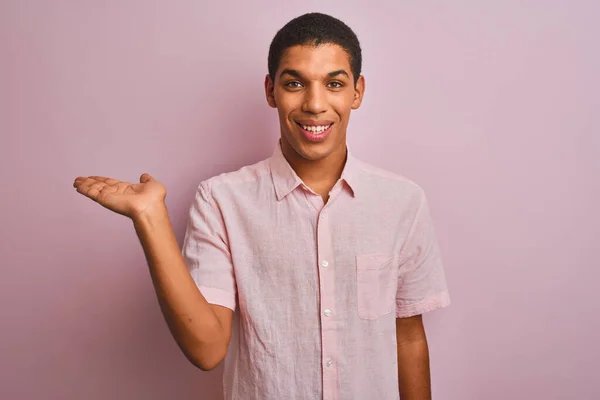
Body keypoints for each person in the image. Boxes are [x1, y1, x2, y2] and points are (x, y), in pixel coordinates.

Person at [73, 12, 450, 400]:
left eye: (334, 83)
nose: (315, 104)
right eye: (294, 83)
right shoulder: (221, 201)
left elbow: (407, 339)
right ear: (271, 91)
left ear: (357, 91)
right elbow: (206, 349)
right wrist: (150, 218)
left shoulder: (402, 201)